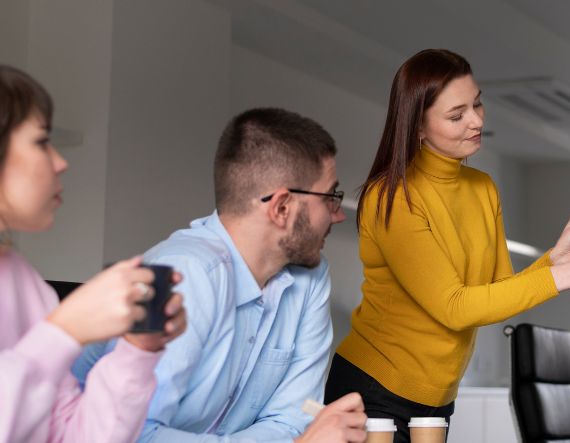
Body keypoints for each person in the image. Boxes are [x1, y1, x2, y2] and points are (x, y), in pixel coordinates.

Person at [324, 49, 570, 442]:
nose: (475, 120)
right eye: (457, 115)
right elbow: (454, 307)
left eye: (477, 104)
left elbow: (493, 293)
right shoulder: (392, 198)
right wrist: (563, 277)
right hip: (376, 391)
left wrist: (553, 260)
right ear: (417, 127)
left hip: (438, 398)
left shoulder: (482, 188)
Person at [73, 107, 367, 442]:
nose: (337, 215)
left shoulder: (311, 278)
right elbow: (136, 436)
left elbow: (291, 422)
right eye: (330, 197)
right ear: (281, 207)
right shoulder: (180, 276)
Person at [0, 65, 187, 442]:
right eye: (41, 141)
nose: (61, 161)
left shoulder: (25, 282)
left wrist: (137, 351)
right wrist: (63, 332)